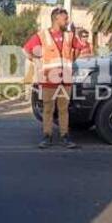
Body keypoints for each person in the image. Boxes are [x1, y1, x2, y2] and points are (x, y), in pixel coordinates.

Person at [24, 8, 85, 149]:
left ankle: (65, 136)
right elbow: (26, 50)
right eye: (65, 19)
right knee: (48, 109)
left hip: (66, 78)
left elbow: (78, 49)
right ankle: (47, 136)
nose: (67, 21)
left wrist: (71, 59)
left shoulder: (69, 36)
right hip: (49, 79)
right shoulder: (42, 35)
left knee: (64, 109)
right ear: (56, 19)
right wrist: (37, 61)